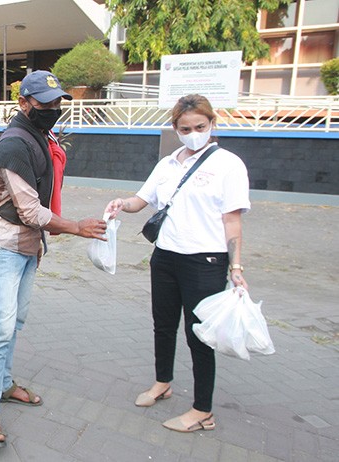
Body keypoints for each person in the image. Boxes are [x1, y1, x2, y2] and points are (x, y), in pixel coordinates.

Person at [0, 71, 106, 448]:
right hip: (5, 245)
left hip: (30, 246)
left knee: (15, 321)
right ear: (23, 103)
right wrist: (76, 226)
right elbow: (30, 210)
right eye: (44, 103)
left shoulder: (39, 136)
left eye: (57, 102)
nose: (53, 109)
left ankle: (3, 384)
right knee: (0, 327)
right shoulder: (15, 144)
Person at [105, 94, 250, 433]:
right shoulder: (169, 163)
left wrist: (237, 268)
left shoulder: (228, 164)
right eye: (186, 128)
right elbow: (143, 200)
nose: (193, 133)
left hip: (205, 260)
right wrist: (121, 204)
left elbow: (232, 221)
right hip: (166, 255)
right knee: (163, 324)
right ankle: (163, 382)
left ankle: (203, 410)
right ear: (176, 128)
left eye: (200, 126)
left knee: (199, 334)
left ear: (212, 123)